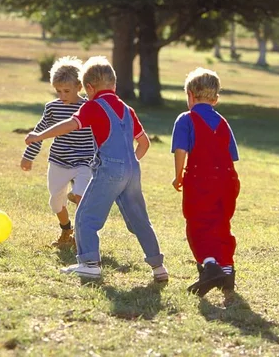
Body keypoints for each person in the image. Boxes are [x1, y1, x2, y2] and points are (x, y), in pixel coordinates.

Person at [25, 56, 168, 282]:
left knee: (86, 217)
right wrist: (129, 165)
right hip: (132, 170)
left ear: (89, 88)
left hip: (109, 171)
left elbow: (70, 125)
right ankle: (158, 267)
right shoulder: (127, 109)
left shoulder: (93, 106)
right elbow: (144, 143)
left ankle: (89, 264)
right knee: (139, 220)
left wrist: (39, 135)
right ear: (114, 84)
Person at [171, 67, 240, 297]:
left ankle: (209, 265)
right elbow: (231, 155)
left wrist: (178, 174)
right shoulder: (223, 122)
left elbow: (181, 149)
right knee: (221, 224)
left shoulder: (186, 119)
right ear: (216, 99)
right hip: (228, 180)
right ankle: (227, 273)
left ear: (190, 95)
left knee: (197, 225)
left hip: (201, 179)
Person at [20, 56, 95, 248]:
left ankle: (81, 235)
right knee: (55, 201)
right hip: (59, 160)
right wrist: (29, 156)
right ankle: (66, 229)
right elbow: (40, 133)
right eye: (58, 91)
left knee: (80, 194)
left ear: (79, 86)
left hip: (84, 161)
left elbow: (100, 135)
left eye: (67, 91)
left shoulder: (89, 108)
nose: (62, 95)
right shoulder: (52, 108)